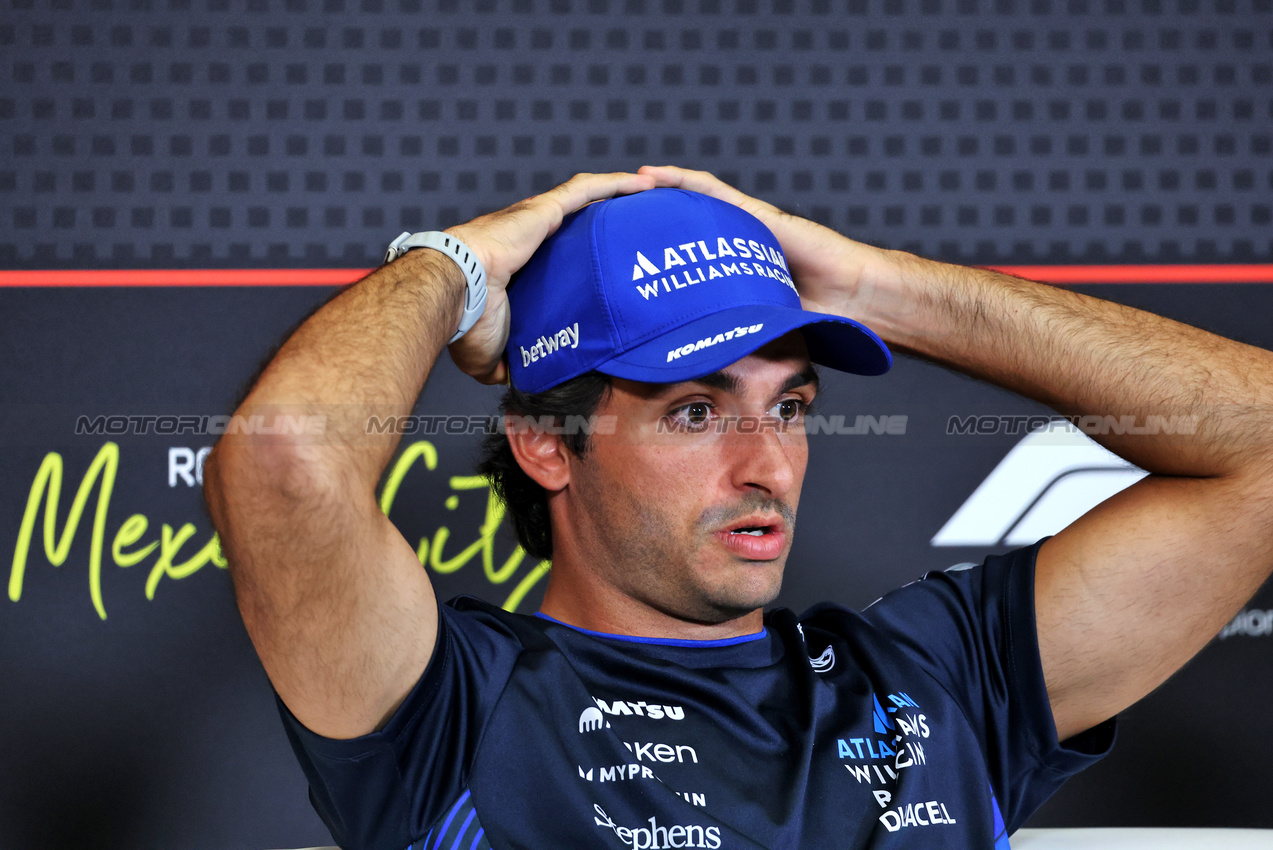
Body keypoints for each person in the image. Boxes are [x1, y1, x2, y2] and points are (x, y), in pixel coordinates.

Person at [204, 167, 1273, 850]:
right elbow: (288, 462)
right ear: (545, 443)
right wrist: (454, 270)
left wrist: (863, 289)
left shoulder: (942, 677)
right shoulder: (456, 713)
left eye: (791, 403)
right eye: (694, 413)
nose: (768, 463)